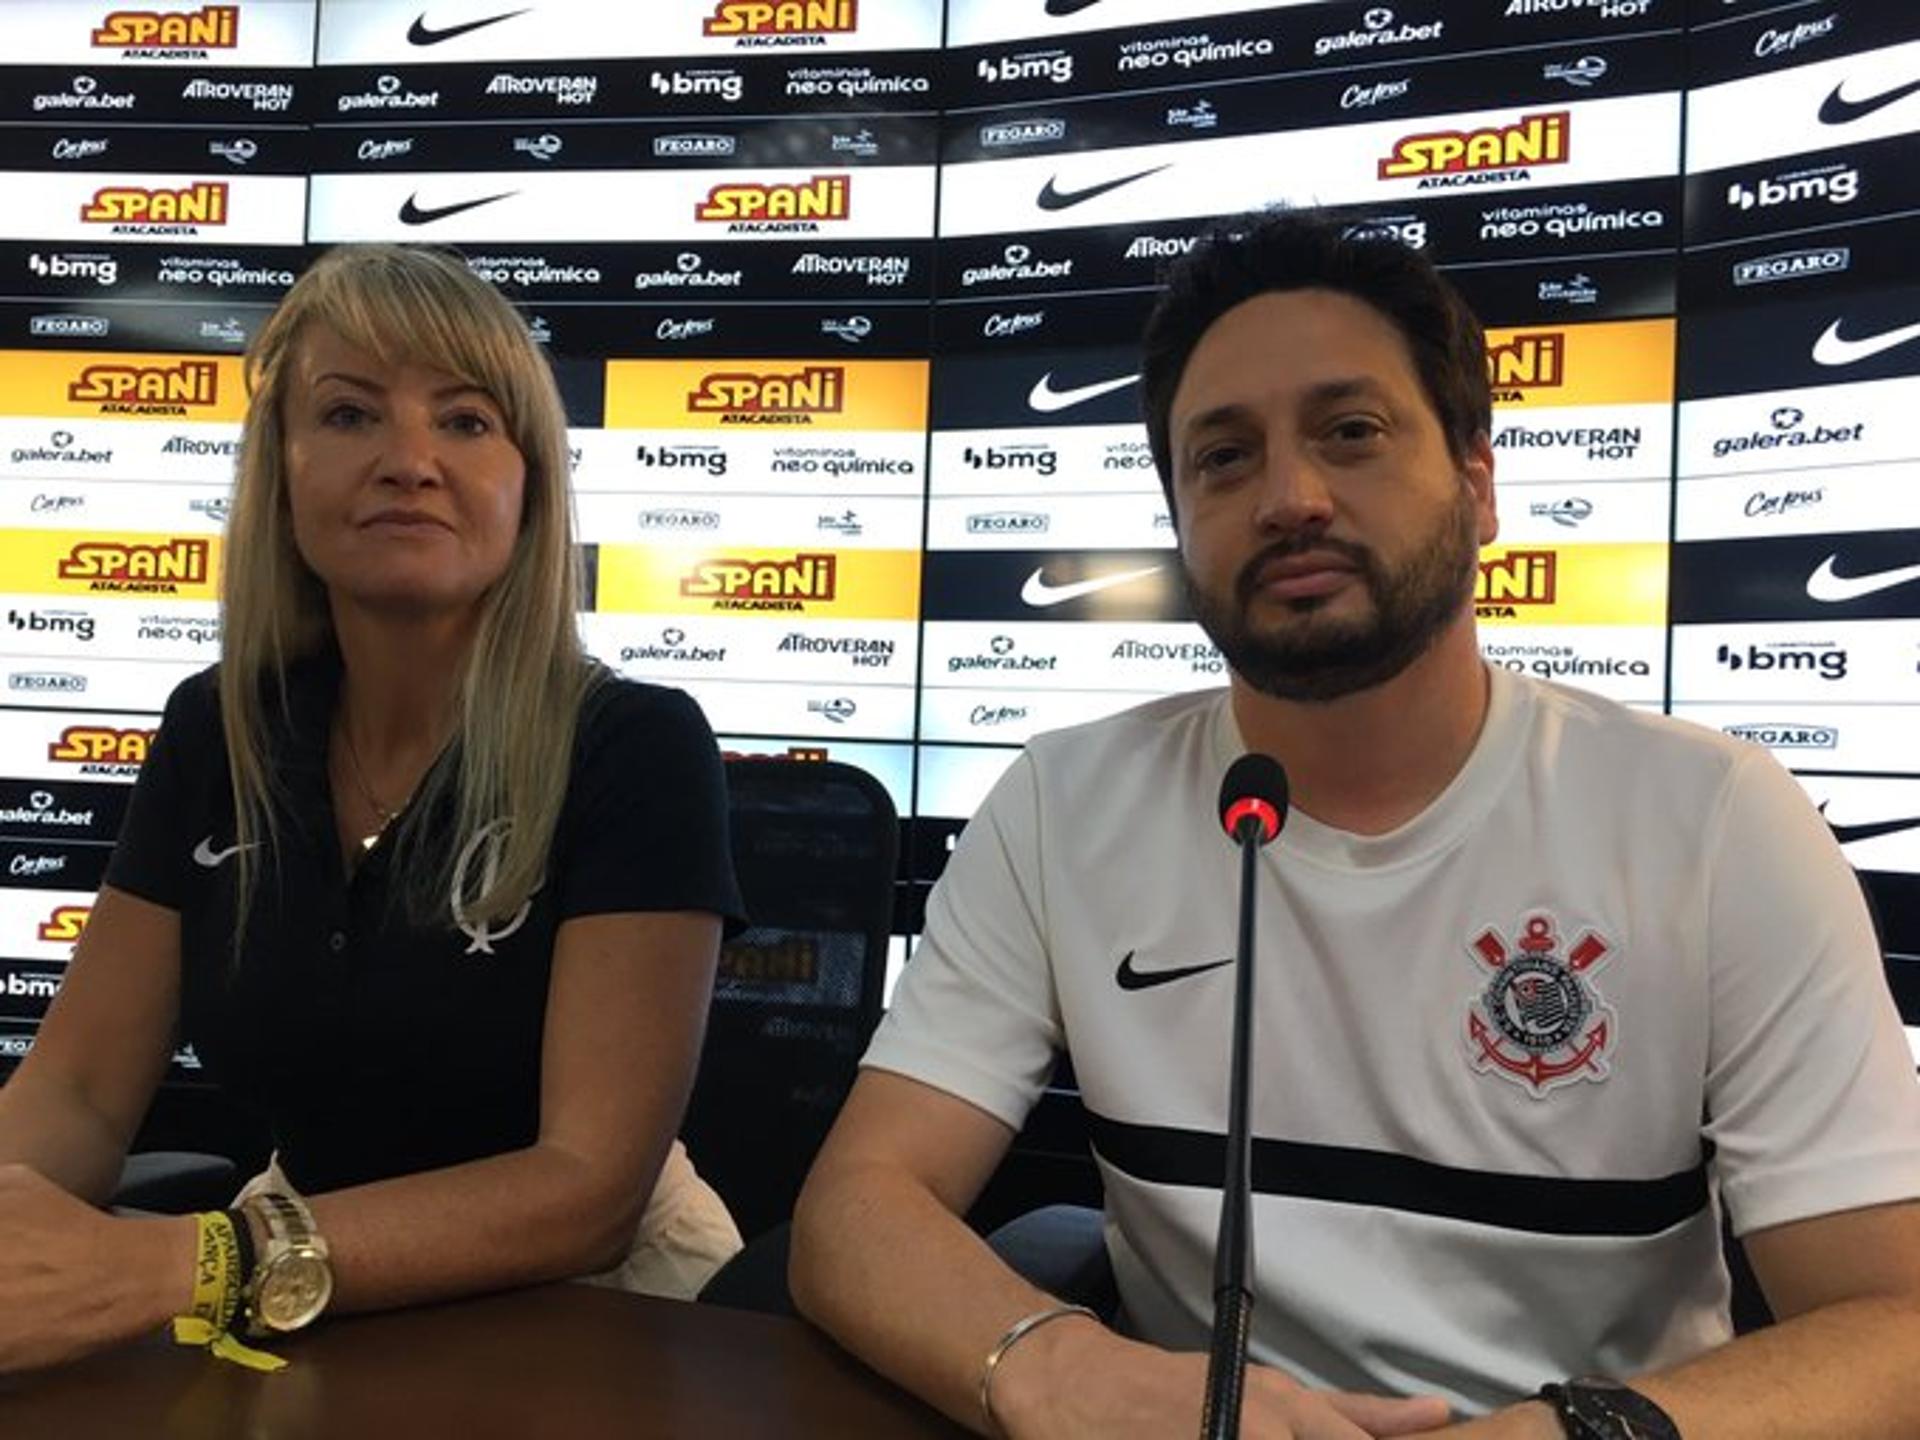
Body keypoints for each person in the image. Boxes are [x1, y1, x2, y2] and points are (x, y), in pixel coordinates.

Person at [789, 210, 1920, 1438]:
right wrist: (1061, 1368)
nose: (1291, 497)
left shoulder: (1714, 818)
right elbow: (861, 1204)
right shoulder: (1062, 807)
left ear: (1478, 485)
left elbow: (1890, 1324)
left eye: (1353, 431)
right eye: (1223, 457)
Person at [0, 244, 745, 1371]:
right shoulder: (221, 725)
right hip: (291, 1279)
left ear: (530, 481)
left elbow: (582, 1190)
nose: (409, 461)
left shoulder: (636, 745)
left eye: (465, 420)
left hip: (602, 1303)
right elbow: (82, 1094)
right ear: (281, 475)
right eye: (349, 416)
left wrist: (193, 1264)